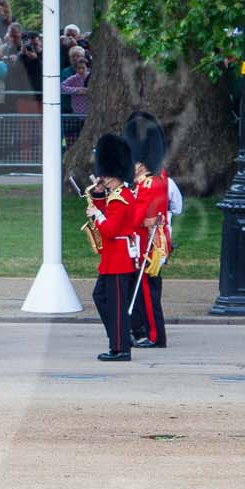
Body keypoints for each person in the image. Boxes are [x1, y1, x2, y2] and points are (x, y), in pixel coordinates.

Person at [86, 133, 139, 362]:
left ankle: (120, 347)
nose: (103, 179)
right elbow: (107, 216)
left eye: (106, 176)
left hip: (118, 258)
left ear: (116, 174)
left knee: (116, 305)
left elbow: (109, 230)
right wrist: (98, 197)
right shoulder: (116, 195)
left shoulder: (120, 198)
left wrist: (97, 214)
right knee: (101, 297)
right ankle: (120, 337)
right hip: (112, 258)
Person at [123, 112, 172, 350]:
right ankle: (145, 330)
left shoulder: (149, 183)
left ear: (140, 164)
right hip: (152, 240)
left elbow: (136, 217)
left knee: (148, 293)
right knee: (146, 291)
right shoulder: (157, 178)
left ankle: (155, 335)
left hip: (149, 245)